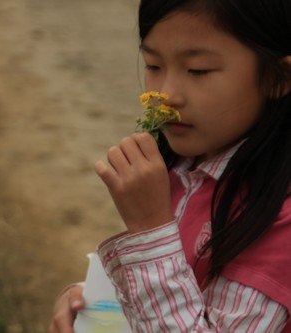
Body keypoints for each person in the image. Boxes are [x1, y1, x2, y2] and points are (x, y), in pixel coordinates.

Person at [49, 0, 291, 332]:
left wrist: (150, 232)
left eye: (198, 71)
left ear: (279, 78)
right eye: (153, 64)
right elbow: (181, 292)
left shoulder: (281, 219)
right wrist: (98, 301)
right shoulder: (185, 169)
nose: (165, 94)